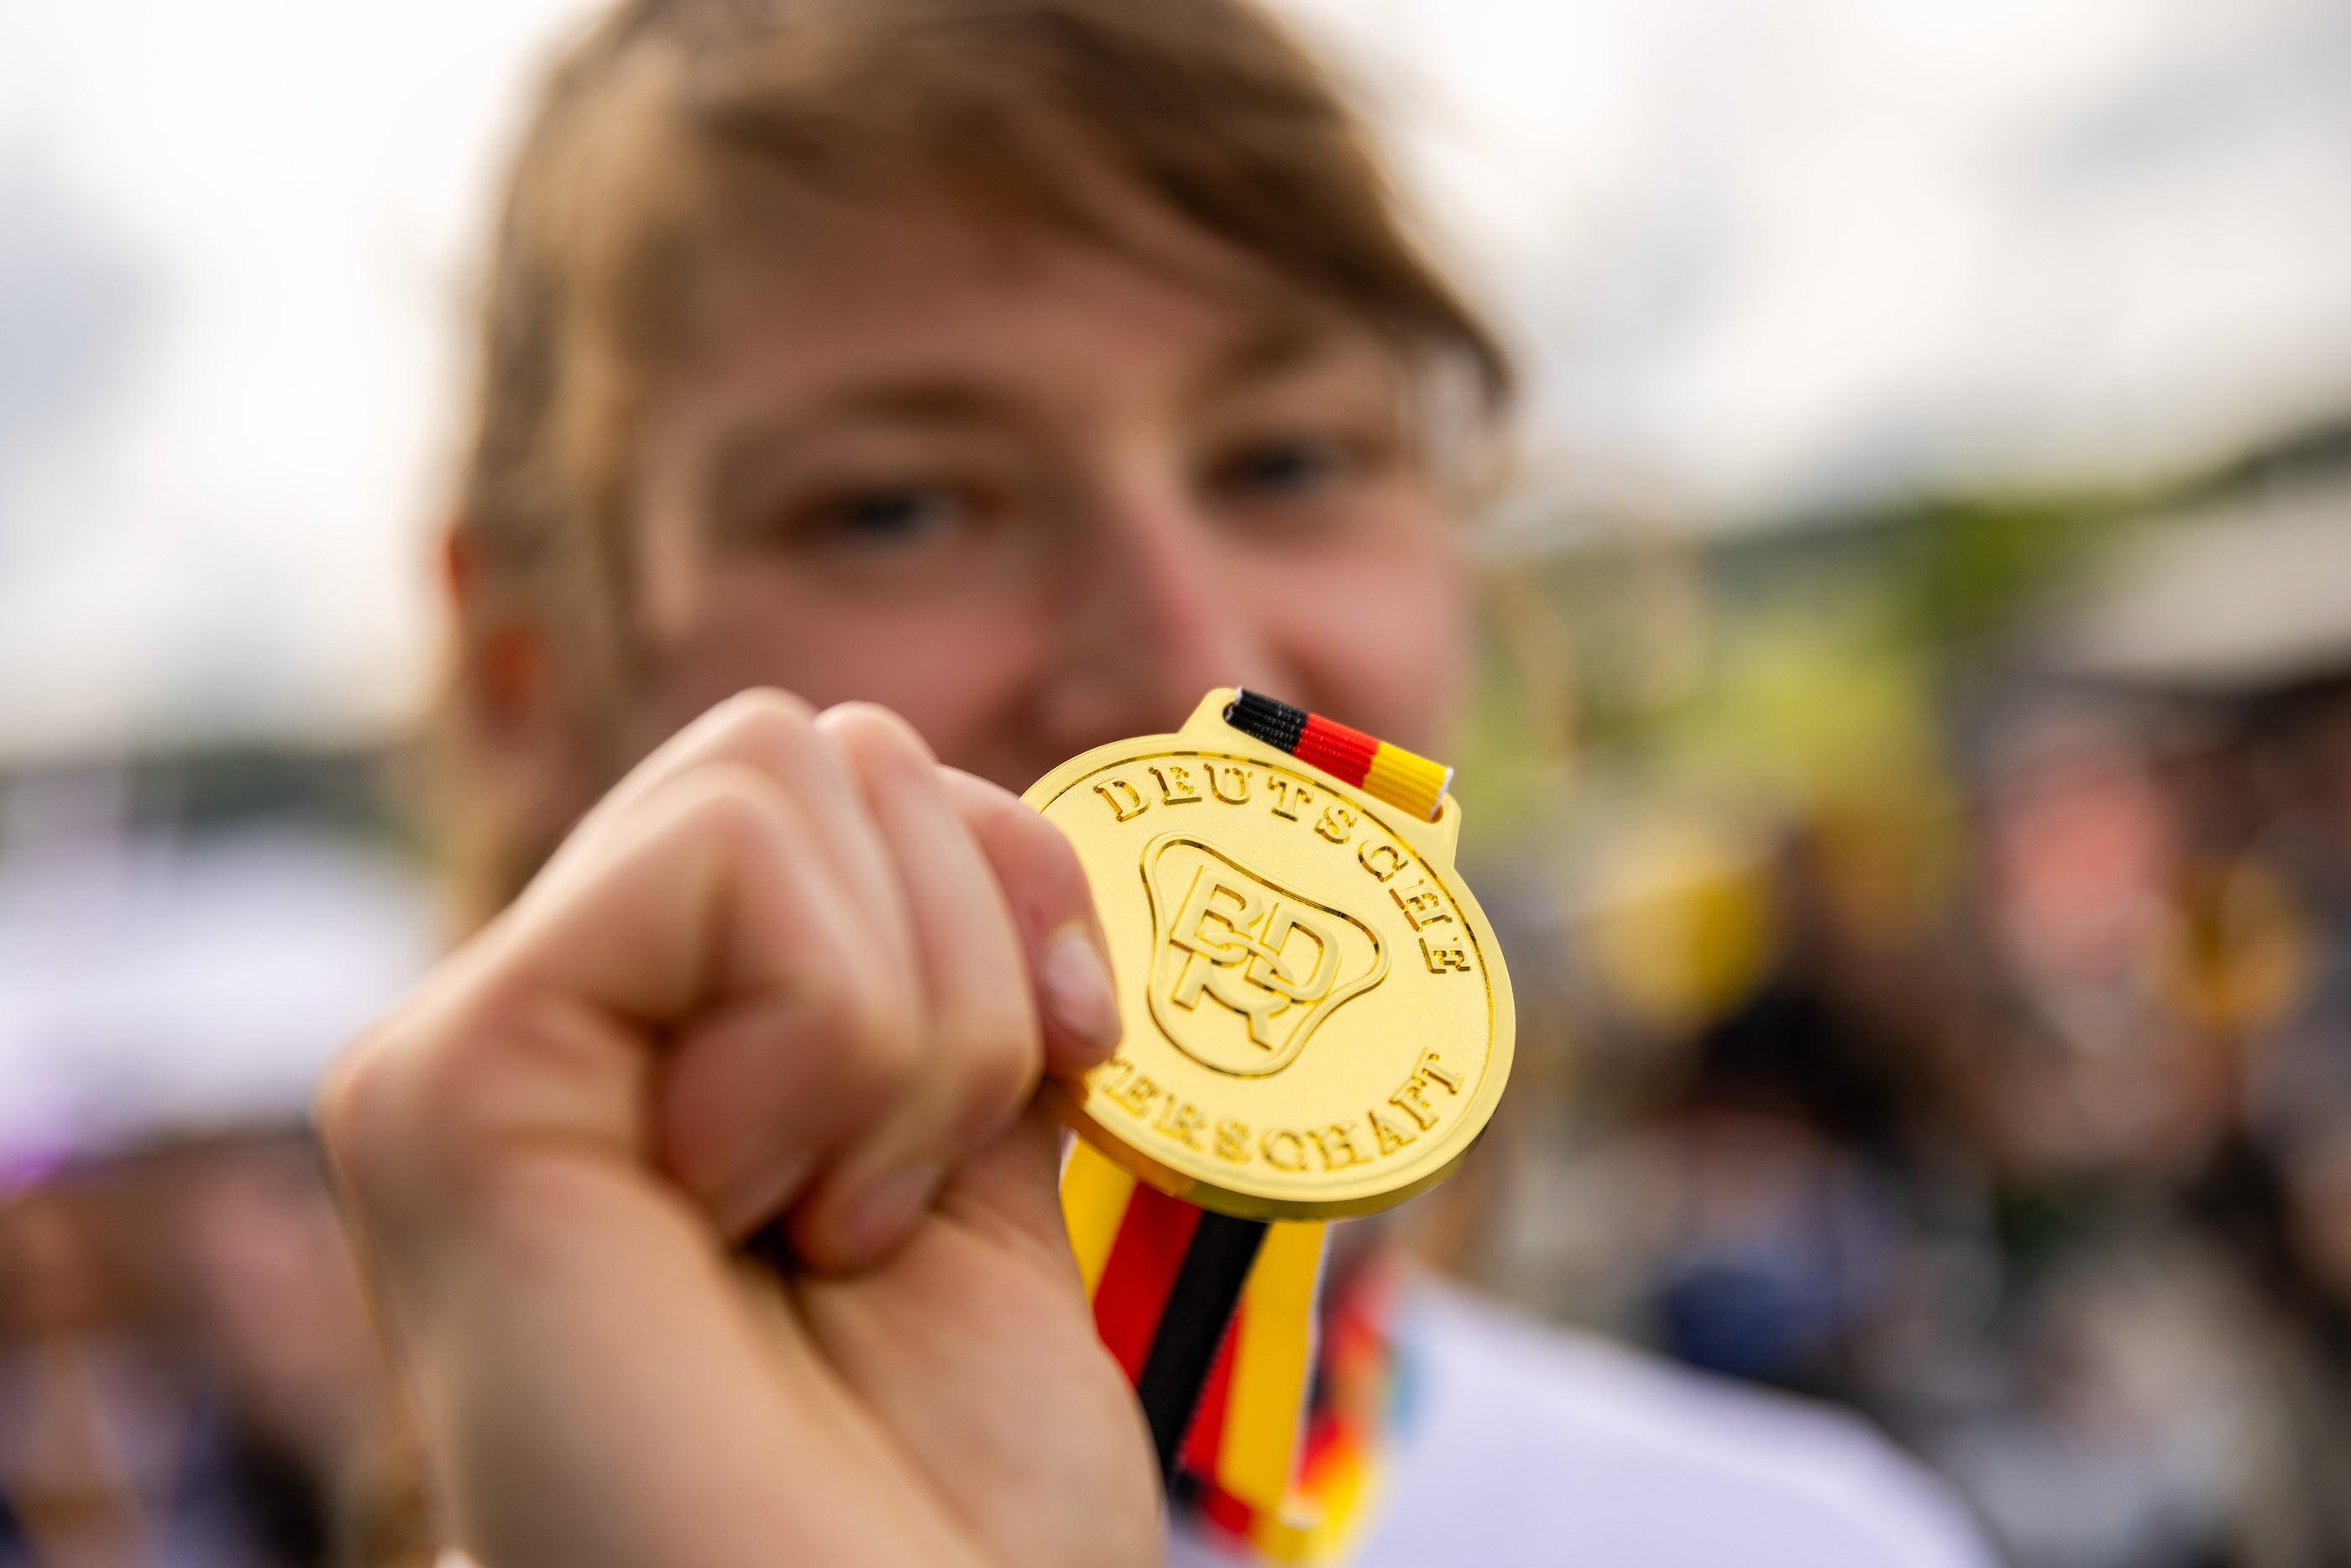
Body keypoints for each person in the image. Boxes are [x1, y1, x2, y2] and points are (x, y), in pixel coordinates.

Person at [319, 0, 1997, 1562]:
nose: (1196, 666)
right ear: (527, 685)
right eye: (898, 506)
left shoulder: (1805, 1538)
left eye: (1287, 459)